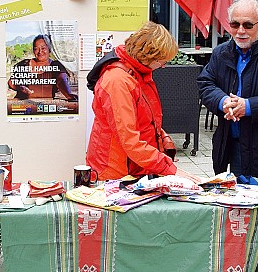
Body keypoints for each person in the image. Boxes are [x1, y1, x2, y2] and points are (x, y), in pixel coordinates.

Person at [86, 22, 201, 181]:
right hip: (115, 174)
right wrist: (168, 168)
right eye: (161, 61)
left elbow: (148, 121)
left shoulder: (137, 73)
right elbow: (130, 140)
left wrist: (163, 149)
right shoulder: (117, 81)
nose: (163, 66)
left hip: (134, 168)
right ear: (149, 56)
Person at [198, 0, 258, 180]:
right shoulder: (220, 52)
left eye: (248, 25)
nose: (240, 31)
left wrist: (248, 106)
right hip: (228, 143)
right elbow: (205, 84)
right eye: (235, 24)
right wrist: (223, 101)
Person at [8, 35, 77, 101]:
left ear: (49, 50)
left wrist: (68, 95)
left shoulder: (56, 65)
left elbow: (61, 80)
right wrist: (19, 87)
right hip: (23, 105)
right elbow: (11, 81)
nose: (40, 52)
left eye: (43, 48)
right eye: (36, 49)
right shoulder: (24, 64)